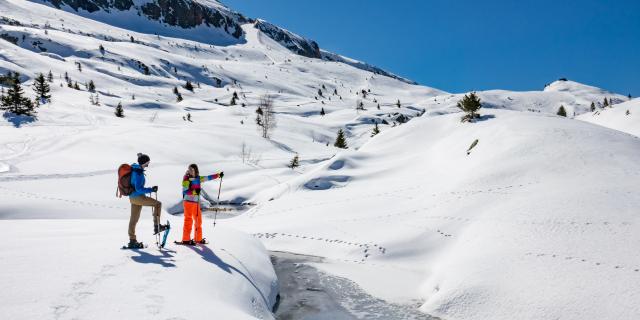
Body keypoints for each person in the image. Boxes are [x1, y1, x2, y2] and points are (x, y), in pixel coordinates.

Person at [127, 153, 166, 248]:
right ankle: (157, 227)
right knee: (158, 204)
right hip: (138, 197)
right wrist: (151, 189)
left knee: (133, 220)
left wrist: (140, 155)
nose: (148, 165)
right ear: (143, 163)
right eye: (147, 163)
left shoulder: (134, 168)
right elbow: (139, 189)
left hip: (132, 198)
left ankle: (132, 240)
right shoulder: (138, 173)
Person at [181, 164, 223, 245]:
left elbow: (208, 177)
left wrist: (218, 175)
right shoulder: (186, 178)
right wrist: (194, 192)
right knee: (188, 220)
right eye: (189, 169)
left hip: (196, 203)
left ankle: (198, 239)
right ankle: (186, 240)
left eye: (192, 170)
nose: (190, 171)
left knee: (198, 221)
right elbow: (185, 191)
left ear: (195, 170)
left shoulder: (198, 178)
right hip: (188, 202)